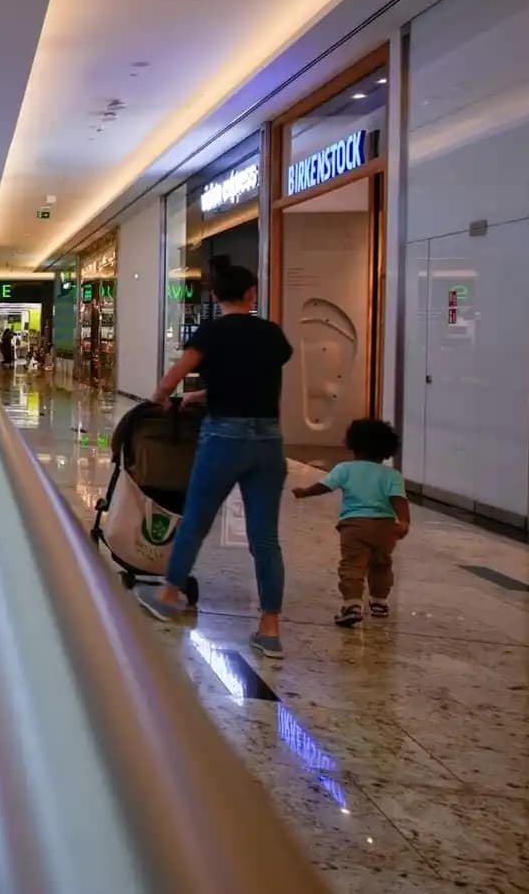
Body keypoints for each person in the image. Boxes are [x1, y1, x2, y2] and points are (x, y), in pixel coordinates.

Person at [136, 256, 294, 659]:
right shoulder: (272, 335)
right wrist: (203, 395)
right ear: (251, 294)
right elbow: (254, 381)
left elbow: (173, 377)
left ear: (216, 295)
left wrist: (161, 400)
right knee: (265, 537)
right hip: (268, 439)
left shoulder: (211, 332)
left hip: (224, 435)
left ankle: (170, 594)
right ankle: (270, 628)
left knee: (196, 520)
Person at [292, 418, 410, 627]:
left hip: (354, 526)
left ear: (352, 444)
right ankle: (379, 602)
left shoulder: (344, 469)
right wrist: (404, 522)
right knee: (382, 565)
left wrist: (304, 492)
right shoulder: (392, 475)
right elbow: (398, 500)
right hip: (385, 528)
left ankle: (352, 604)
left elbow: (325, 486)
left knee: (353, 565)